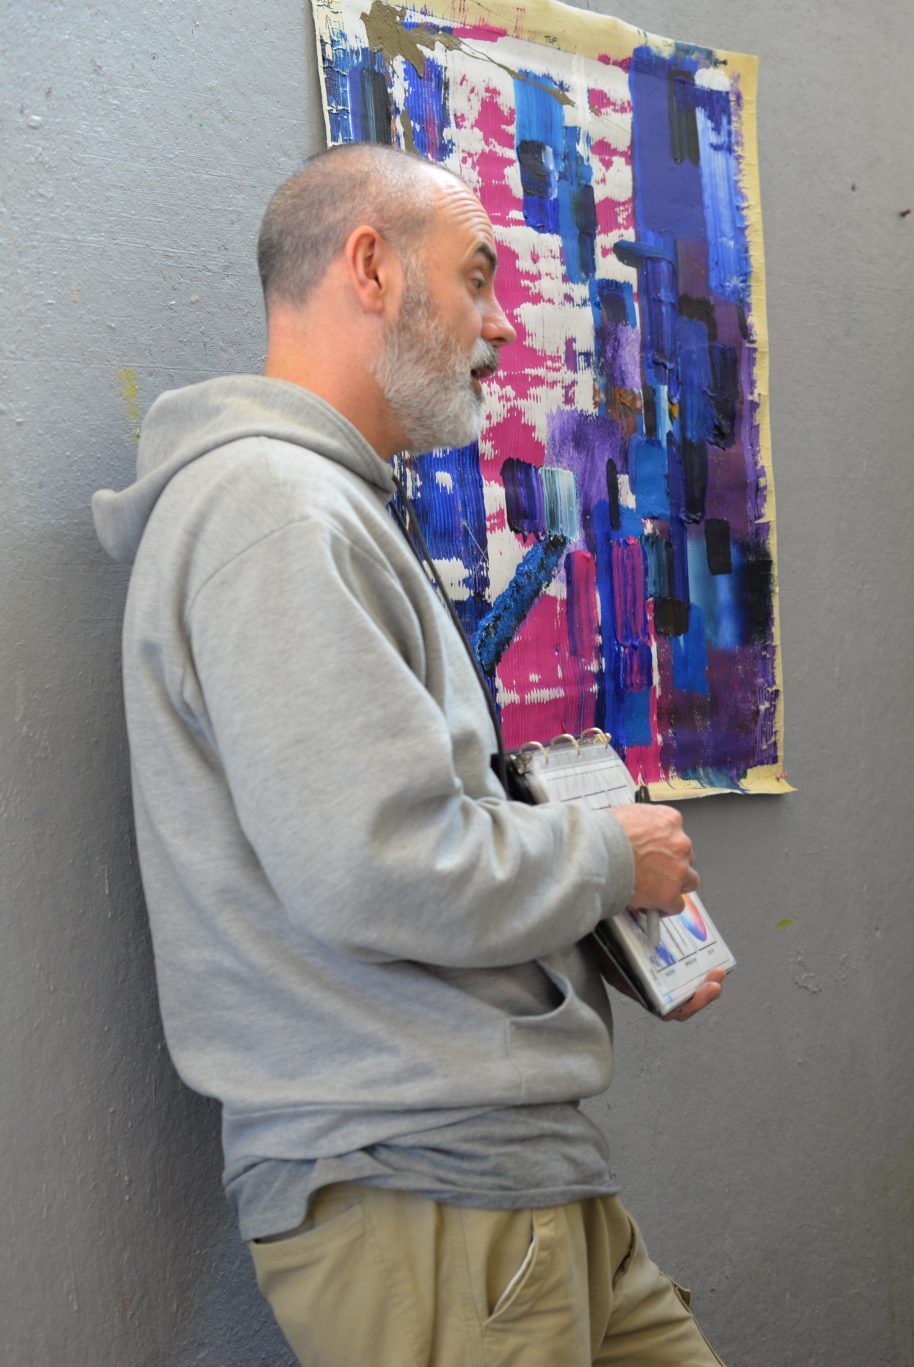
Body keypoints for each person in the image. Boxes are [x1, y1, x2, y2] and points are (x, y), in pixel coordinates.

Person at [92, 144, 728, 1366]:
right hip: (422, 1185)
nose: (499, 325)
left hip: (499, 1172)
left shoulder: (321, 505)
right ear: (371, 267)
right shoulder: (273, 512)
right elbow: (377, 860)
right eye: (477, 278)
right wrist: (608, 861)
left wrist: (612, 914)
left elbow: (390, 830)